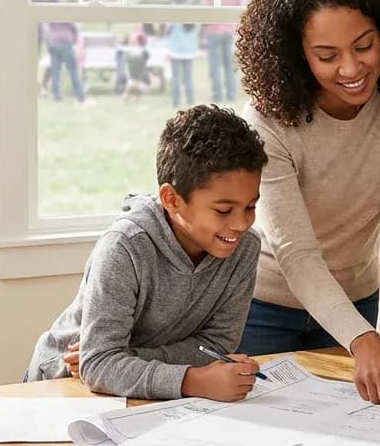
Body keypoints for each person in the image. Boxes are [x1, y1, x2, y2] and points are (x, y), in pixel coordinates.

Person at [235, 0, 380, 416]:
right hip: (263, 306)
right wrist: (364, 341)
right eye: (327, 55)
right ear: (297, 55)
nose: (351, 69)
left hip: (357, 301)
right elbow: (295, 251)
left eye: (364, 46)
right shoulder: (268, 118)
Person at [23, 104, 267, 403]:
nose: (241, 223)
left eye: (251, 207)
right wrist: (192, 379)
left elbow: (216, 345)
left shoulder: (245, 248)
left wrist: (126, 358)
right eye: (223, 210)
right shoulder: (125, 246)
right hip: (61, 388)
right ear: (171, 199)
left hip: (144, 393)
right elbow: (98, 367)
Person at [201, 0, 242, 103]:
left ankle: (217, 94)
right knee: (228, 64)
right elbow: (240, 9)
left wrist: (202, 31)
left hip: (213, 31)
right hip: (229, 31)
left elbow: (205, 12)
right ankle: (231, 93)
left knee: (215, 65)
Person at [165, 22, 200, 108]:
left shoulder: (174, 20)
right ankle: (190, 101)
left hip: (175, 51)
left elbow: (167, 31)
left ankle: (176, 102)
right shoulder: (193, 20)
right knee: (188, 78)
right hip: (189, 51)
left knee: (176, 78)